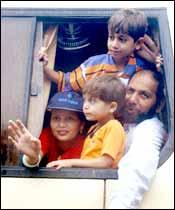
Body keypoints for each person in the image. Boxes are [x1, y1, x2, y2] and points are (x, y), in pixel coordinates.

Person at [38, 8, 163, 92]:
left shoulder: (142, 67)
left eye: (122, 39)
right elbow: (66, 81)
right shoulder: (96, 64)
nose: (114, 44)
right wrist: (44, 67)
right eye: (111, 37)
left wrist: (156, 62)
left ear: (138, 43)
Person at [107, 69, 166, 209]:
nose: (132, 99)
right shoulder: (114, 121)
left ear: (159, 105)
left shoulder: (149, 129)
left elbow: (135, 174)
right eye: (130, 91)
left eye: (144, 95)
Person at [46, 74, 126, 169]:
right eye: (85, 101)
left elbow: (105, 162)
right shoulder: (94, 128)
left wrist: (71, 162)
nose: (85, 106)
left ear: (112, 107)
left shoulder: (113, 127)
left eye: (92, 101)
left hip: (102, 180)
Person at [7, 91, 86, 167]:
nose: (61, 125)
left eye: (69, 119)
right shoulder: (48, 134)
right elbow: (36, 156)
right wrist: (32, 158)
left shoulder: (88, 143)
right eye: (56, 118)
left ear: (81, 125)